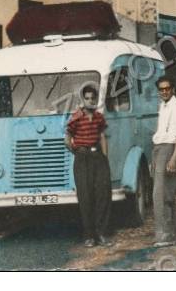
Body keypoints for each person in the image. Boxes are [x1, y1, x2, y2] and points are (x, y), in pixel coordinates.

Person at [65, 84, 112, 247]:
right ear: (83, 99)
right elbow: (67, 136)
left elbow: (102, 136)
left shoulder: (99, 117)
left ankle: (101, 234)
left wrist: (104, 157)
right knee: (85, 197)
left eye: (93, 98)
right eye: (87, 98)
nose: (90, 100)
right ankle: (89, 236)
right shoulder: (76, 116)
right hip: (82, 158)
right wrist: (77, 151)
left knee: (102, 195)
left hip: (98, 157)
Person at [152, 77, 176, 247]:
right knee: (166, 193)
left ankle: (165, 236)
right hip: (159, 148)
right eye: (161, 89)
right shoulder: (163, 106)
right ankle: (174, 233)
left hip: (169, 149)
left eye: (167, 88)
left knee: (160, 195)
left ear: (172, 89)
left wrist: (174, 157)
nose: (164, 91)